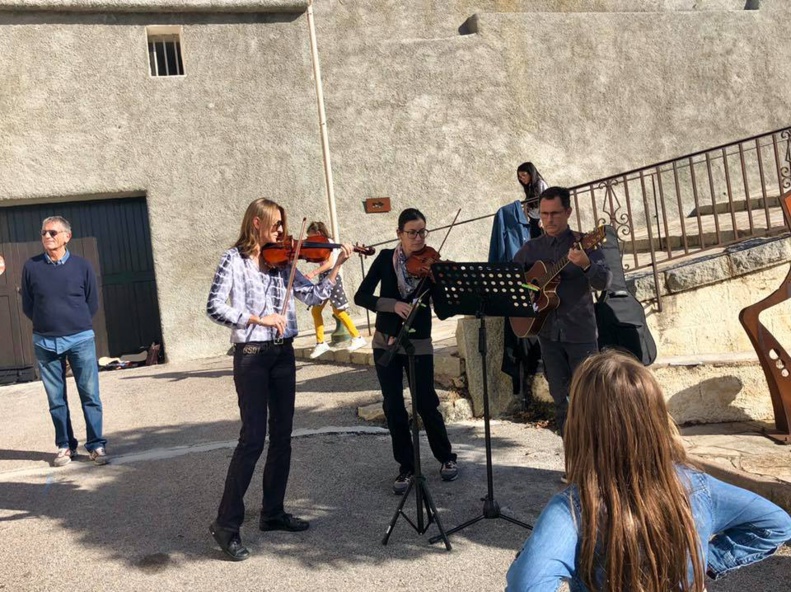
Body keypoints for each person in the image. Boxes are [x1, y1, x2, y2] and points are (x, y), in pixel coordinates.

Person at [506, 350, 791, 591]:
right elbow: (776, 523)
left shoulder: (573, 508)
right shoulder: (697, 485)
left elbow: (525, 584)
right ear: (655, 417)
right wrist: (706, 563)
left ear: (582, 426)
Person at [206, 198, 354, 561]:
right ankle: (226, 524)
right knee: (252, 440)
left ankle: (273, 512)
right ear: (256, 223)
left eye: (283, 227)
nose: (282, 233)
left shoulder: (285, 259)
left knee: (283, 437)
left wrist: (335, 267)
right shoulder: (234, 259)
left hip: (283, 354)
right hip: (252, 356)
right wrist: (256, 318)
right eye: (275, 226)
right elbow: (214, 306)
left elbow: (315, 295)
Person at [354, 208, 459, 494]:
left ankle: (446, 457)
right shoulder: (384, 260)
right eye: (411, 232)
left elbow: (446, 311)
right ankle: (407, 467)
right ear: (399, 233)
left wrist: (442, 283)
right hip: (385, 343)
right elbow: (361, 296)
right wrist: (392, 305)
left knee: (426, 402)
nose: (418, 238)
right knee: (394, 407)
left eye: (422, 231)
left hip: (419, 344)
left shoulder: (431, 264)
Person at [514, 186, 611, 436]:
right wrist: (529, 293)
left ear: (568, 212)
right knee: (560, 399)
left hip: (580, 332)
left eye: (555, 213)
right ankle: (573, 461)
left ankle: (596, 464)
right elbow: (512, 280)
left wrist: (586, 264)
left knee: (590, 400)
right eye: (544, 214)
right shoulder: (531, 250)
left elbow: (605, 281)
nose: (549, 220)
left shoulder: (584, 243)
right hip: (547, 334)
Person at [21, 216, 109, 467]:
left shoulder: (82, 266)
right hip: (45, 343)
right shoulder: (31, 266)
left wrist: (75, 323)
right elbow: (28, 305)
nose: (47, 237)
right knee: (56, 399)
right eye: (43, 233)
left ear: (66, 236)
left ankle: (96, 445)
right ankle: (65, 445)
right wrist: (47, 325)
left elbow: (91, 302)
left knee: (89, 394)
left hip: (80, 339)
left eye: (52, 232)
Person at [303, 221, 366, 358]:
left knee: (339, 311)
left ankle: (357, 337)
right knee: (316, 310)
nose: (310, 240)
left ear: (318, 234)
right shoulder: (323, 244)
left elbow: (331, 263)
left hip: (332, 278)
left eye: (311, 237)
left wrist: (313, 273)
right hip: (324, 278)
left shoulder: (329, 243)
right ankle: (320, 343)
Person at [516, 161, 547, 240]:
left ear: (531, 173)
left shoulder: (540, 183)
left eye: (524, 175)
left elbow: (546, 202)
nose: (521, 178)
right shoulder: (529, 187)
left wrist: (543, 219)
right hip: (533, 221)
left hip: (541, 221)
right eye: (520, 176)